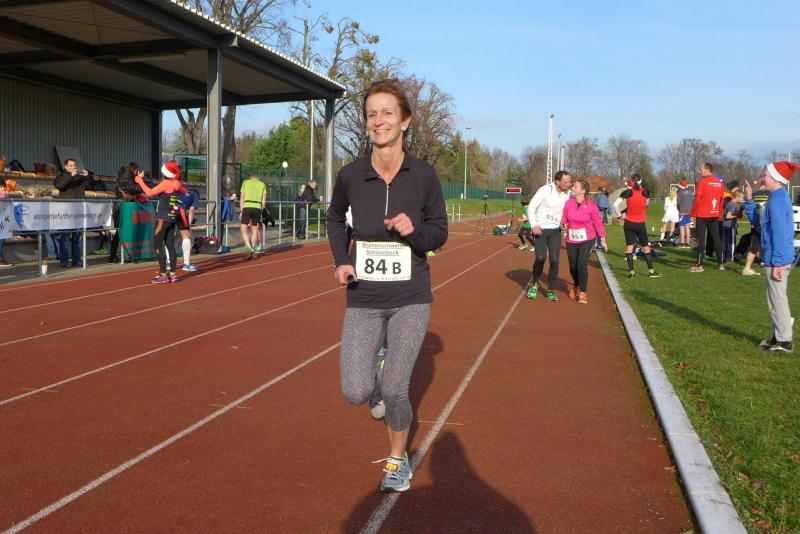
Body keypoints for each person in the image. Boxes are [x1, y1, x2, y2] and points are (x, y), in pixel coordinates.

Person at [326, 78, 448, 493]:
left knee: (397, 389)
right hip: (364, 296)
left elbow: (439, 233)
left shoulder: (424, 175)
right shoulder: (351, 175)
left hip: (411, 296)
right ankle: (375, 377)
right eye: (371, 114)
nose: (379, 121)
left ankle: (397, 459)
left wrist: (415, 231)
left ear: (405, 121)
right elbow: (334, 218)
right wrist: (341, 260)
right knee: (355, 391)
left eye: (387, 113)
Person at [742, 161, 799, 353]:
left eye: (765, 174)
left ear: (775, 178)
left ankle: (784, 341)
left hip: (777, 260)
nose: (762, 177)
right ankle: (778, 337)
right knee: (774, 300)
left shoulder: (778, 199)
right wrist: (749, 200)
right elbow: (759, 223)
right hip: (774, 258)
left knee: (777, 300)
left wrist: (779, 263)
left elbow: (781, 234)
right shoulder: (775, 198)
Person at [135, 161, 187, 283]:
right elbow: (185, 193)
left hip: (162, 219)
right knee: (170, 245)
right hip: (172, 219)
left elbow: (150, 192)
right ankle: (172, 275)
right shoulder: (177, 183)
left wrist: (140, 181)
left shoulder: (166, 183)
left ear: (165, 173)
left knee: (157, 245)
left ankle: (163, 274)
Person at [525, 170, 572, 301]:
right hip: (540, 230)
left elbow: (565, 212)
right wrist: (534, 225)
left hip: (555, 231)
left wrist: (565, 224)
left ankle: (550, 290)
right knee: (540, 258)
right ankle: (534, 284)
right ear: (557, 182)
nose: (569, 184)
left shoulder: (567, 194)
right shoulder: (546, 190)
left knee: (554, 260)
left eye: (569, 181)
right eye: (566, 182)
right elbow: (531, 207)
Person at [560, 179, 606, 304]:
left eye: (575, 187)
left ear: (583, 191)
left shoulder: (591, 206)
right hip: (571, 239)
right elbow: (564, 217)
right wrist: (563, 224)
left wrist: (602, 238)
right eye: (573, 186)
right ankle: (577, 285)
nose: (572, 188)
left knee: (581, 264)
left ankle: (583, 292)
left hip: (587, 239)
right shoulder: (569, 202)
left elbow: (598, 223)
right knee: (573, 267)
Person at [615, 174, 661, 278]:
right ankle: (651, 272)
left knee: (629, 248)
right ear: (641, 180)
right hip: (640, 224)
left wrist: (619, 215)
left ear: (631, 181)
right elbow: (646, 205)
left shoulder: (627, 192)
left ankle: (632, 273)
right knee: (646, 247)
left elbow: (615, 205)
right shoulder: (646, 192)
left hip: (628, 223)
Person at [53, 158, 92, 268]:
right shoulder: (61, 176)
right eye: (70, 165)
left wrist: (88, 176)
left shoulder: (79, 177)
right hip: (67, 210)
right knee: (65, 237)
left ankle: (77, 260)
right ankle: (64, 261)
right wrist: (70, 175)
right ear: (65, 167)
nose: (73, 167)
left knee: (77, 237)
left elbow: (90, 185)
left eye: (74, 165)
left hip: (79, 210)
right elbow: (59, 185)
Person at [689, 162, 725, 272]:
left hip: (703, 214)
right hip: (714, 214)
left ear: (707, 169)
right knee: (716, 239)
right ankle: (720, 264)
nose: (700, 171)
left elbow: (697, 199)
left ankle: (699, 264)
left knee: (700, 239)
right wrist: (719, 213)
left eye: (701, 169)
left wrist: (692, 214)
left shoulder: (702, 182)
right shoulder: (719, 183)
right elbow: (721, 200)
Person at [109, 162, 146, 263]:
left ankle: (116, 255)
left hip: (122, 206)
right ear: (134, 170)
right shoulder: (126, 179)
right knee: (125, 231)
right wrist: (140, 179)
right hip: (124, 207)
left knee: (121, 232)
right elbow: (138, 189)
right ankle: (126, 256)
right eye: (137, 171)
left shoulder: (124, 177)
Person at [741, 185, 771, 276]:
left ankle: (747, 268)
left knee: (754, 248)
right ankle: (765, 263)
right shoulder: (771, 194)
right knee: (767, 246)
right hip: (766, 225)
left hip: (755, 224)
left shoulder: (754, 195)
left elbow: (745, 206)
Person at [239, 172, 267, 258]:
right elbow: (263, 201)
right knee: (254, 230)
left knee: (243, 229)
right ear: (258, 178)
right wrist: (261, 210)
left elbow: (242, 198)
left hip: (247, 207)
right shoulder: (262, 184)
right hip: (257, 207)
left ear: (250, 177)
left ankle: (248, 247)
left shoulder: (245, 182)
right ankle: (254, 248)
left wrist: (241, 210)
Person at [175, 189, 201, 271]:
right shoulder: (195, 195)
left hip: (168, 209)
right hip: (179, 209)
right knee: (186, 236)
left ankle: (168, 263)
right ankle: (186, 264)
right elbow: (191, 210)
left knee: (170, 236)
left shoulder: (183, 193)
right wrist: (188, 225)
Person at [721, 190, 743, 263]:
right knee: (731, 242)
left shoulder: (729, 203)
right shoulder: (733, 205)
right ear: (736, 197)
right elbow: (728, 216)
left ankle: (723, 257)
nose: (742, 199)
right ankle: (730, 257)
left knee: (724, 242)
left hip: (725, 225)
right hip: (730, 226)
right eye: (741, 197)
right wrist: (737, 216)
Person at [676, 180, 694, 247]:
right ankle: (688, 242)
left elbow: (678, 203)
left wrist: (679, 210)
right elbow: (692, 201)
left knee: (682, 226)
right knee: (687, 226)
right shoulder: (690, 192)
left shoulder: (680, 192)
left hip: (682, 211)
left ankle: (682, 242)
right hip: (689, 211)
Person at [0, 178, 10, 267]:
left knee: (2, 239)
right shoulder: (2, 195)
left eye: (3, 187)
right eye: (1, 187)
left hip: (2, 221)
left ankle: (1, 258)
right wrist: (4, 193)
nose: (3, 188)